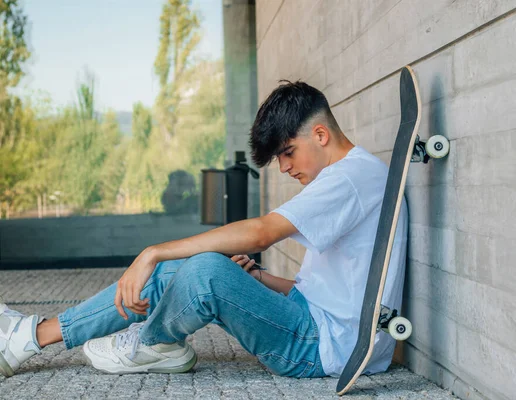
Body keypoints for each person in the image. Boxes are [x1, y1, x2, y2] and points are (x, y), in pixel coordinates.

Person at [0, 80, 408, 379]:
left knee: (204, 272)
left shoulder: (349, 179)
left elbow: (264, 231)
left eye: (287, 153)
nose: (284, 168)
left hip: (323, 348)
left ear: (320, 135)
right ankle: (31, 337)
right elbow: (326, 293)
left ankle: (154, 343)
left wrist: (152, 250)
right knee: (180, 270)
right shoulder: (348, 178)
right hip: (310, 320)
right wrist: (259, 279)